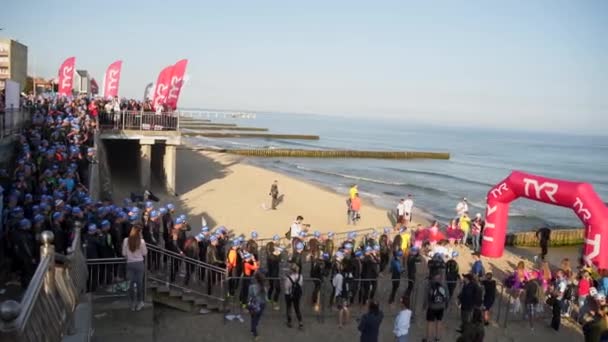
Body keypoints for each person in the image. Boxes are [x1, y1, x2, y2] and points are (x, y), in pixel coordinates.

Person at [122, 224, 148, 311]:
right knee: (140, 284)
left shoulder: (126, 240)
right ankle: (140, 302)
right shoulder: (142, 241)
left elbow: (124, 254)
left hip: (130, 264)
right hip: (139, 264)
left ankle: (132, 303)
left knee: (131, 284)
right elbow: (145, 253)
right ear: (139, 232)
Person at [424, 273, 448, 342]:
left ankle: (428, 339)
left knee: (430, 323)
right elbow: (447, 295)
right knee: (439, 321)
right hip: (441, 306)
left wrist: (425, 305)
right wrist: (446, 304)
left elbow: (426, 296)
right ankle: (437, 338)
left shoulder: (430, 285)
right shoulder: (444, 284)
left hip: (432, 306)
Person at [247, 271, 267, 340]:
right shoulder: (264, 287)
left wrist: (248, 305)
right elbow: (266, 298)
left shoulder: (252, 287)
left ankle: (254, 332)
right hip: (262, 305)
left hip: (254, 304)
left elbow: (249, 296)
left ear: (255, 279)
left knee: (253, 318)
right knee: (256, 318)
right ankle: (253, 329)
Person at [285, 263, 304, 329]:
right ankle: (300, 322)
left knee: (289, 308)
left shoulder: (288, 278)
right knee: (297, 308)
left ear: (291, 270)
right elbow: (301, 285)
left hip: (289, 294)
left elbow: (286, 288)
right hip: (297, 294)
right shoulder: (300, 276)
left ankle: (289, 322)